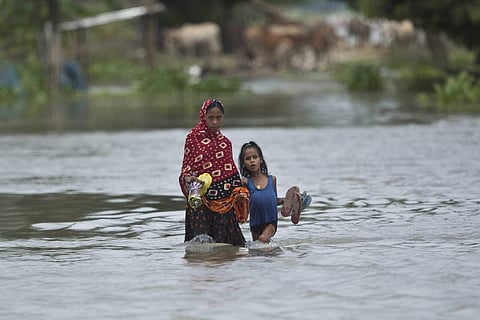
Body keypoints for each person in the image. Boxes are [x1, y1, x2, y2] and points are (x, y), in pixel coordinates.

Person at [179, 99, 247, 246]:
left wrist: (241, 191)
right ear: (203, 116)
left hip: (224, 205)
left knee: (228, 248)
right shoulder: (192, 138)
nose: (215, 122)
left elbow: (231, 173)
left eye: (219, 118)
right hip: (200, 203)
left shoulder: (225, 143)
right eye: (211, 118)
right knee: (201, 246)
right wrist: (188, 178)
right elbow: (187, 167)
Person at [238, 141, 311, 243]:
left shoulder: (272, 180)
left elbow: (273, 200)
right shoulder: (245, 182)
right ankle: (273, 256)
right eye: (248, 159)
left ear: (261, 160)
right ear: (243, 164)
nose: (252, 161)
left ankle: (296, 204)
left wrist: (286, 201)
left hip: (270, 222)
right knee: (258, 249)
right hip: (255, 222)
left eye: (255, 157)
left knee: (263, 238)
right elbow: (243, 203)